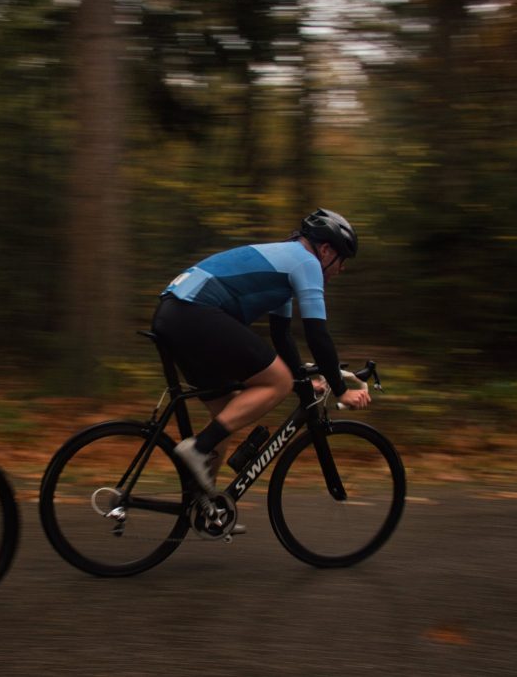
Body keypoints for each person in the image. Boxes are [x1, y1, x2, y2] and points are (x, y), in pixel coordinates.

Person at [152, 208, 371, 498]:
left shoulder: (285, 263)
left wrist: (302, 381)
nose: (341, 269)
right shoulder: (307, 263)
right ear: (326, 250)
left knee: (227, 412)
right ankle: (198, 448)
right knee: (277, 381)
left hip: (174, 314)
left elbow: (281, 335)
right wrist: (341, 390)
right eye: (342, 260)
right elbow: (317, 336)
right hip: (193, 312)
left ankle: (202, 505)